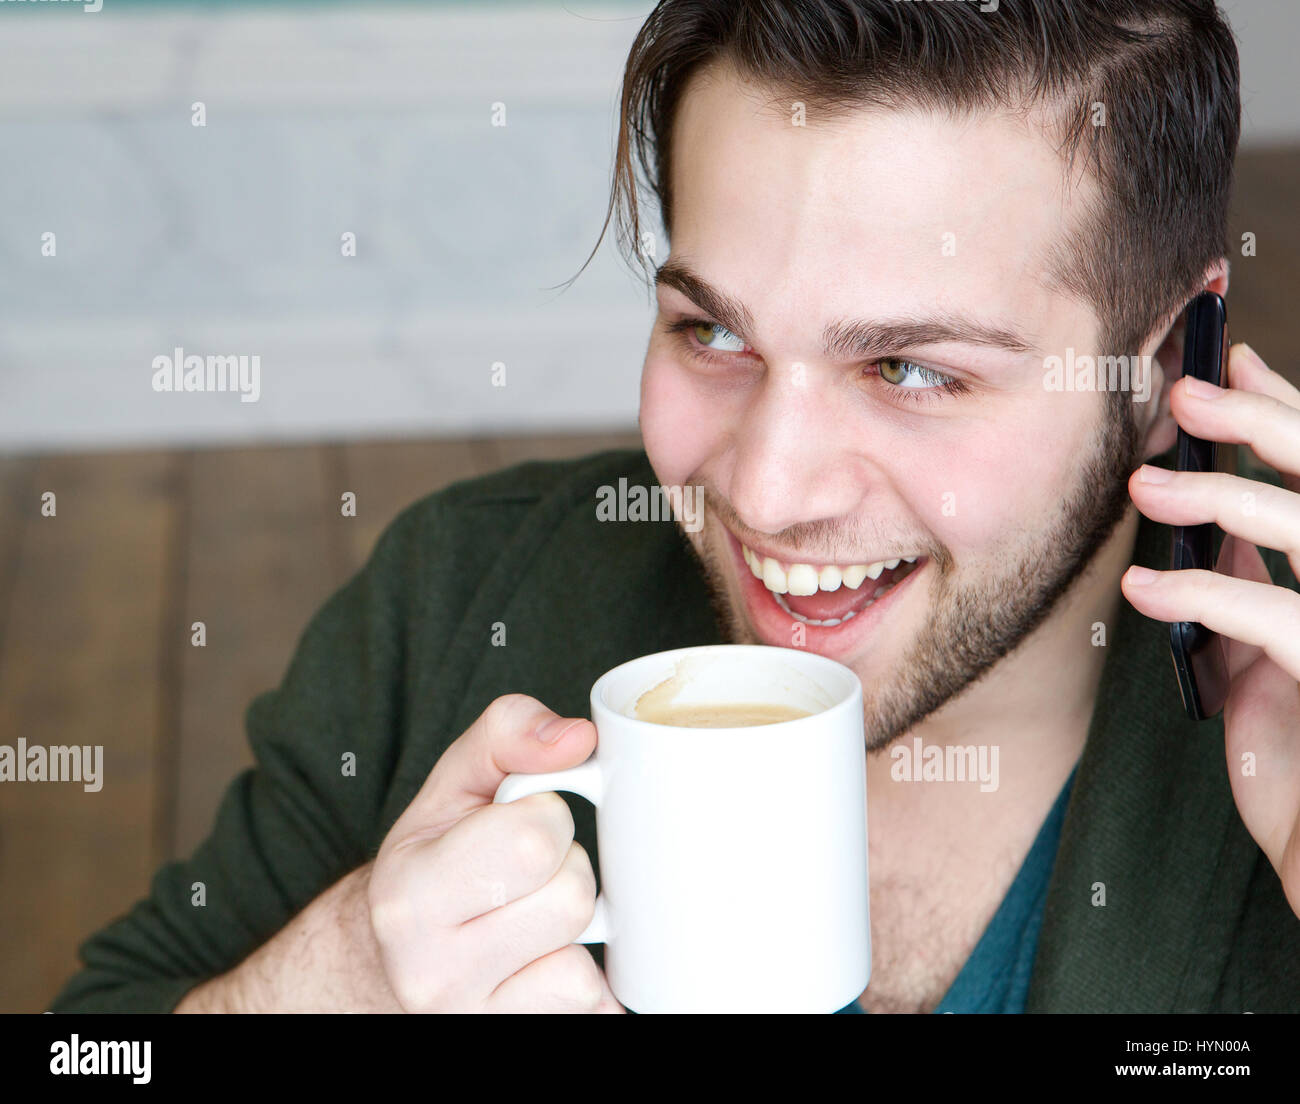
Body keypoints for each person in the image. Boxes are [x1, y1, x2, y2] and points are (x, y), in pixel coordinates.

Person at [49, 0, 1300, 1014]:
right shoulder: (457, 596)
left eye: (911, 370)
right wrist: (333, 987)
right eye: (712, 331)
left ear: (1161, 372)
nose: (762, 489)